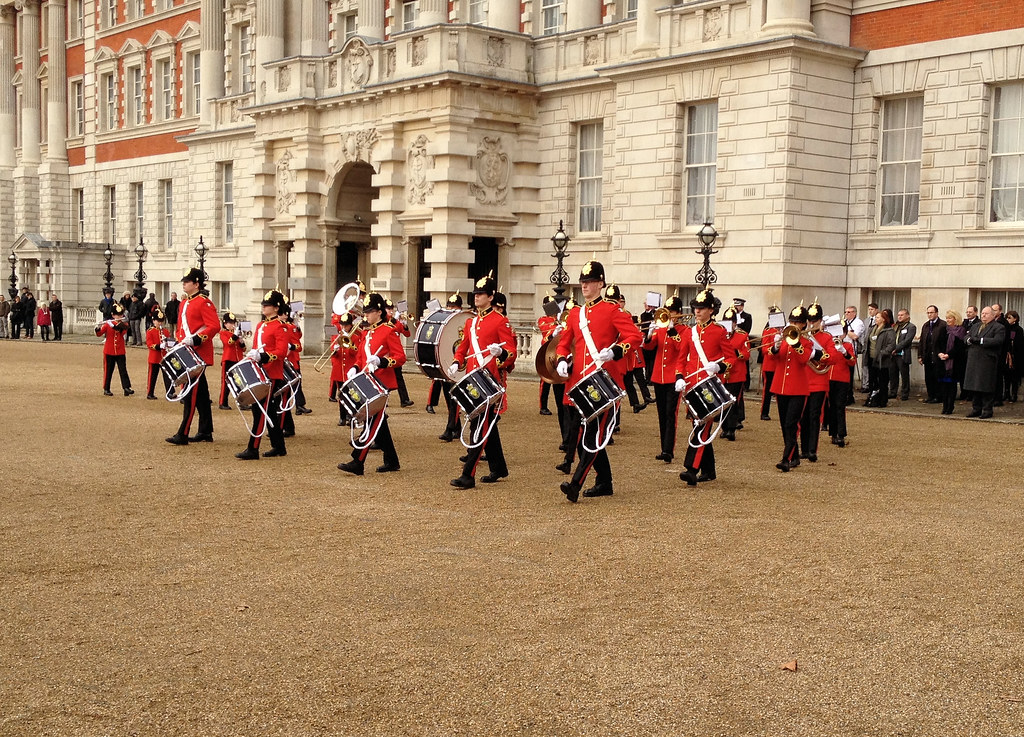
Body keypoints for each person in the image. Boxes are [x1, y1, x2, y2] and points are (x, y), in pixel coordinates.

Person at [555, 261, 640, 501]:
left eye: (590, 282)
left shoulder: (613, 311)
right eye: (583, 281)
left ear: (600, 284)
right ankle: (605, 482)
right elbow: (564, 341)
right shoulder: (576, 313)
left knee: (591, 436)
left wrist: (617, 351)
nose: (585, 285)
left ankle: (575, 485)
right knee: (588, 438)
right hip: (580, 383)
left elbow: (634, 336)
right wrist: (562, 358)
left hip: (604, 382)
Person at [447, 274, 516, 489]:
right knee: (486, 426)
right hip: (474, 380)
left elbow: (512, 352)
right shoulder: (471, 322)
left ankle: (468, 474)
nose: (477, 297)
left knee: (479, 426)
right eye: (476, 294)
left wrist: (501, 353)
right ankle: (498, 468)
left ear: (491, 296)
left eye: (481, 294)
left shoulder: (500, 320)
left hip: (491, 381)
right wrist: (457, 362)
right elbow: (463, 347)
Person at [338, 292, 406, 474]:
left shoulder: (388, 330)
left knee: (372, 420)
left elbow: (400, 357)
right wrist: (354, 367)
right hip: (368, 380)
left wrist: (382, 361)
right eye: (365, 312)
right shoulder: (368, 332)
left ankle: (357, 461)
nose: (366, 315)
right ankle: (392, 460)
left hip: (382, 382)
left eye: (369, 312)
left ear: (379, 312)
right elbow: (361, 357)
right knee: (378, 422)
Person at [673, 288, 734, 485]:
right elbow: (681, 359)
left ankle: (691, 469)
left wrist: (719, 366)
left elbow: (731, 358)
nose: (697, 311)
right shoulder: (691, 332)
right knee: (698, 425)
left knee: (702, 425)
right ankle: (709, 470)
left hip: (709, 386)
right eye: (696, 308)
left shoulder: (719, 331)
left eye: (702, 308)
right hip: (692, 384)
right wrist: (679, 377)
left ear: (711, 310)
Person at [165, 268, 219, 446]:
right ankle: (205, 430)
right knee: (201, 394)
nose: (184, 283)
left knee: (190, 393)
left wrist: (196, 338)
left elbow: (214, 326)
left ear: (196, 284)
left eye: (187, 281)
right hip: (186, 351)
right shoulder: (184, 303)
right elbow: (181, 328)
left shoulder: (204, 302)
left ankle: (183, 432)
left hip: (198, 353)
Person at [236, 290, 290, 460]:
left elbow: (281, 352)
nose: (263, 307)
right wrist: (253, 354)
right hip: (260, 370)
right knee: (269, 410)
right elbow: (258, 346)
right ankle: (279, 446)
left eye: (267, 305)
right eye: (263, 305)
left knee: (260, 410)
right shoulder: (261, 325)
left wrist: (263, 356)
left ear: (275, 308)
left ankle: (253, 448)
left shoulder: (280, 326)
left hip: (272, 373)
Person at [769, 304, 819, 471]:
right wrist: (775, 347)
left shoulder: (806, 342)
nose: (794, 324)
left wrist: (796, 343)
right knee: (784, 424)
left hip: (798, 388)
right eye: (792, 321)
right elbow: (774, 358)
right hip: (781, 386)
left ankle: (786, 458)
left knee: (792, 423)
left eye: (797, 322)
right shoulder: (783, 339)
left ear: (803, 324)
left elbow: (804, 359)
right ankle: (795, 456)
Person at [643, 295, 684, 462]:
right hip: (658, 377)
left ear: (679, 313)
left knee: (670, 414)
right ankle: (663, 448)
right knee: (661, 413)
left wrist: (672, 330)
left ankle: (668, 450)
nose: (669, 315)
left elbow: (681, 348)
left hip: (673, 377)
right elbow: (649, 347)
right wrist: (649, 333)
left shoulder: (684, 331)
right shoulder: (660, 329)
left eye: (672, 312)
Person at [799, 301, 834, 462]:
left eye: (815, 321)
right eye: (810, 321)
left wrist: (819, 354)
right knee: (803, 417)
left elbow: (833, 358)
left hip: (819, 380)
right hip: (803, 380)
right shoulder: (802, 337)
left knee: (814, 416)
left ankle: (812, 450)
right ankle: (804, 449)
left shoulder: (827, 337)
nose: (812, 324)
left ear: (821, 320)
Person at [964, 306, 1006, 418]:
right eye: (982, 313)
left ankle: (987, 410)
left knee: (986, 386)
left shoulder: (998, 327)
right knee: (975, 386)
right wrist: (968, 340)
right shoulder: (976, 326)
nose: (983, 315)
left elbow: (998, 341)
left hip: (987, 361)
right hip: (974, 359)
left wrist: (981, 340)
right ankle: (976, 408)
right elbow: (967, 336)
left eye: (986, 314)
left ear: (993, 315)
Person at [719, 306, 750, 443]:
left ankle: (731, 429)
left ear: (735, 323)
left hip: (736, 373)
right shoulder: (720, 334)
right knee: (723, 401)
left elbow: (747, 354)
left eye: (730, 322)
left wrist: (738, 353)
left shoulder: (742, 335)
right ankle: (724, 428)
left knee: (732, 401)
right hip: (723, 372)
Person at [827, 323, 857, 448]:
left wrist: (845, 353)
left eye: (841, 333)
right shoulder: (829, 345)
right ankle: (833, 433)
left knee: (840, 406)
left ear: (844, 334)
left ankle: (841, 434)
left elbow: (852, 362)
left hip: (842, 380)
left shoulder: (848, 346)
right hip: (829, 378)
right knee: (831, 406)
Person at [95, 304, 134, 396]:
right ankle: (106, 388)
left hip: (120, 350)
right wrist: (98, 327)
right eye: (117, 315)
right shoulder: (108, 325)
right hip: (109, 350)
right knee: (108, 370)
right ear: (113, 315)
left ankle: (126, 387)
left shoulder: (124, 324)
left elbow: (120, 330)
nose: (119, 317)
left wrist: (111, 324)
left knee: (123, 370)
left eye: (120, 315)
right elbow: (99, 334)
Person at [385, 299, 415, 408]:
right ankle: (384, 400)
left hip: (395, 352)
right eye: (388, 309)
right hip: (387, 353)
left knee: (399, 377)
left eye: (391, 309)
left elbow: (406, 334)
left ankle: (404, 399)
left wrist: (405, 324)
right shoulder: (384, 320)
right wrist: (394, 319)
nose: (391, 311)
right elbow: (387, 329)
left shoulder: (395, 320)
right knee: (385, 377)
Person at [937, 309, 967, 415]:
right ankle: (944, 406)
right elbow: (939, 344)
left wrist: (949, 355)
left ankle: (950, 406)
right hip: (943, 362)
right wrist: (940, 353)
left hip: (955, 362)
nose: (948, 320)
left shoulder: (961, 330)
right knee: (944, 386)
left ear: (955, 319)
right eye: (947, 318)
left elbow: (959, 347)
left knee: (952, 386)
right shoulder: (944, 330)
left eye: (950, 318)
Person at [758, 306, 785, 420]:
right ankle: (764, 412)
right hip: (769, 365)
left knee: (781, 391)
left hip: (780, 365)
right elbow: (764, 349)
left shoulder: (785, 331)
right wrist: (774, 347)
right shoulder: (768, 331)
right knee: (767, 391)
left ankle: (782, 413)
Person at [865, 309, 896, 407]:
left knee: (882, 381)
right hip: (871, 358)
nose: (875, 319)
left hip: (882, 360)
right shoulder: (872, 328)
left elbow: (891, 345)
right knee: (872, 380)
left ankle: (882, 401)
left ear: (883, 319)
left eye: (877, 317)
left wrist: (883, 353)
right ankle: (872, 399)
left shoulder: (889, 330)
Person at [918, 305, 946, 403]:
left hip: (937, 356)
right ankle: (931, 395)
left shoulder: (942, 325)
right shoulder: (926, 325)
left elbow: (944, 342)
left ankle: (939, 396)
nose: (929, 315)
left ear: (936, 313)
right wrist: (920, 355)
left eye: (931, 312)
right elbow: (922, 341)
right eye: (928, 313)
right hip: (927, 356)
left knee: (937, 377)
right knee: (928, 377)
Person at [218, 312, 246, 410]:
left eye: (233, 322)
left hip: (238, 360)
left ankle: (242, 403)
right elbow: (228, 343)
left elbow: (243, 349)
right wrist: (235, 335)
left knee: (239, 382)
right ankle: (222, 402)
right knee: (226, 382)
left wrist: (241, 341)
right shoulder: (223, 333)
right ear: (225, 324)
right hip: (228, 359)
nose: (232, 324)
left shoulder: (236, 334)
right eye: (230, 323)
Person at [888, 308, 916, 400]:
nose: (899, 317)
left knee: (904, 375)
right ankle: (893, 392)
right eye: (898, 315)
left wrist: (895, 348)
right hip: (893, 354)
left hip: (902, 354)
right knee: (893, 374)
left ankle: (905, 393)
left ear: (907, 316)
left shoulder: (910, 327)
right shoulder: (895, 326)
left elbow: (907, 341)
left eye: (902, 315)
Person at [145, 310, 172, 399]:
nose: (160, 323)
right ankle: (150, 393)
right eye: (158, 321)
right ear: (153, 321)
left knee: (168, 376)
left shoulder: (166, 331)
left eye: (161, 321)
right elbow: (149, 344)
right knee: (152, 377)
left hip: (164, 357)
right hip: (154, 358)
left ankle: (170, 392)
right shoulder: (150, 331)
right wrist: (159, 346)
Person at [1004, 310, 1023, 403]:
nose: (1008, 320)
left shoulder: (1018, 329)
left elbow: (1018, 343)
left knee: (1014, 377)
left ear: (1015, 319)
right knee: (1006, 376)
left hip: (1015, 356)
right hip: (1006, 355)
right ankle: (1006, 393)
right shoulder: (1005, 328)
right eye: (1007, 318)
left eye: (1009, 318)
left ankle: (1014, 394)